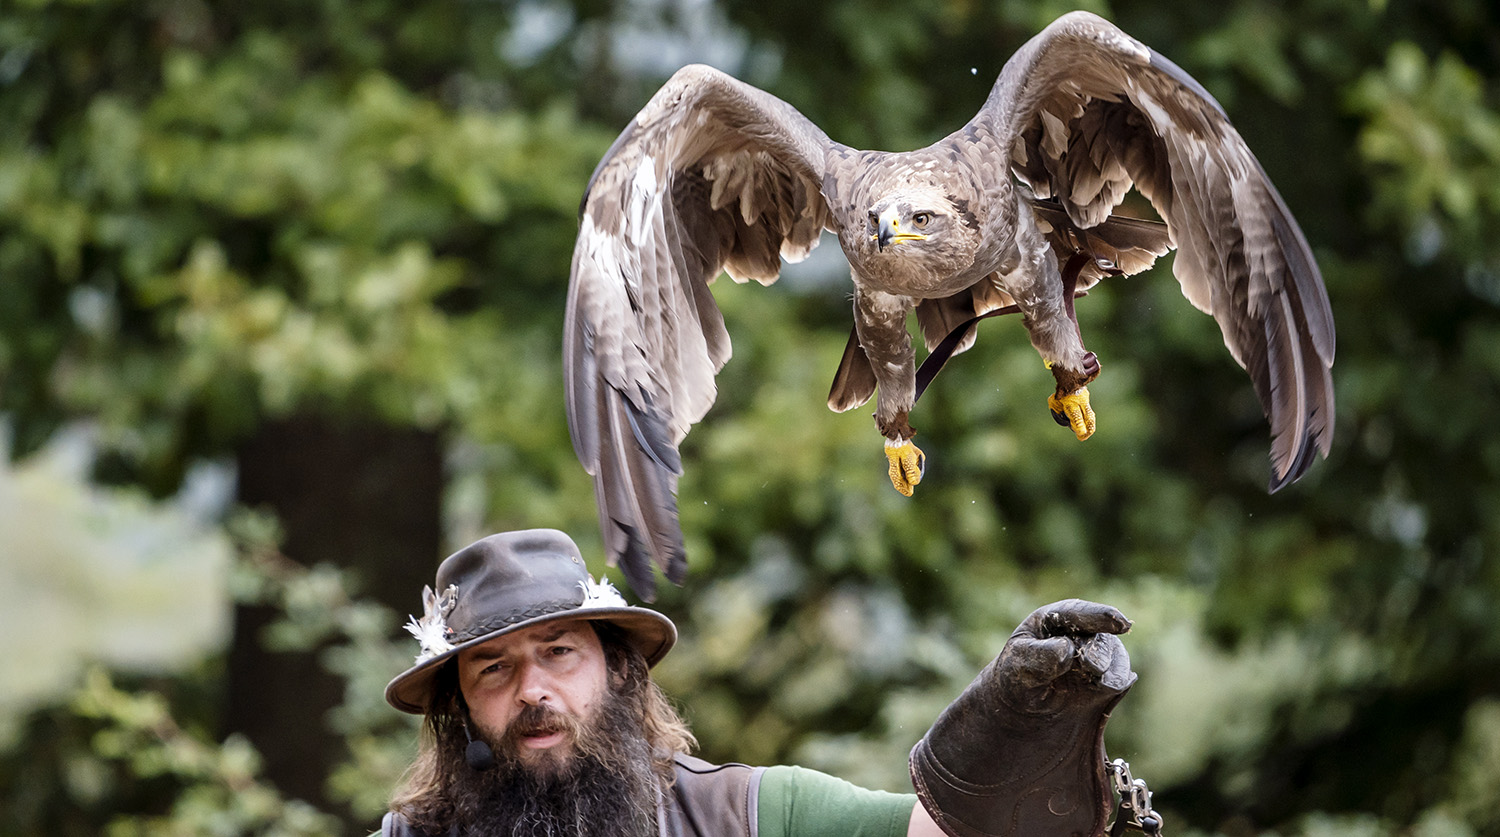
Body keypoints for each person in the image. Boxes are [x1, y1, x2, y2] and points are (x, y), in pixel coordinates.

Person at [380, 529, 1138, 837]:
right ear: (460, 707)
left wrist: (1015, 717)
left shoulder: (747, 813)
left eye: (558, 652)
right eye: (494, 667)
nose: (532, 689)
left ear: (616, 669)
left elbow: (945, 832)